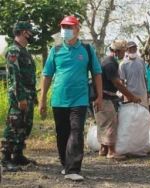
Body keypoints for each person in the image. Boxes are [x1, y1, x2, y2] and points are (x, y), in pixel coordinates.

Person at [39, 15, 102, 181]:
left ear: (77, 29)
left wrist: (99, 96)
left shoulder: (87, 50)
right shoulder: (56, 50)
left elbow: (97, 73)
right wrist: (42, 99)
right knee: (62, 133)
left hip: (79, 99)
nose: (65, 30)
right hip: (59, 99)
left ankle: (73, 168)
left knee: (76, 131)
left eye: (69, 27)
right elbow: (46, 75)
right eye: (63, 27)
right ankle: (65, 163)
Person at [1, 21, 37, 172]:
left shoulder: (24, 50)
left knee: (24, 126)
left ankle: (18, 155)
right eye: (30, 31)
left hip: (28, 94)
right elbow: (14, 77)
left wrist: (32, 96)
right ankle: (5, 159)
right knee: (14, 126)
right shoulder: (13, 50)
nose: (32, 34)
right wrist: (20, 97)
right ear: (23, 32)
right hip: (19, 96)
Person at [95, 40, 141, 159]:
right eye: (123, 51)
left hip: (99, 96)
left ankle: (103, 149)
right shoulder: (111, 63)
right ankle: (111, 152)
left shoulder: (105, 61)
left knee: (102, 123)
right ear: (116, 51)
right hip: (105, 97)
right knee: (111, 123)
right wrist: (131, 96)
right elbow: (117, 83)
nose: (124, 54)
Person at [119, 41, 148, 108]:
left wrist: (147, 92)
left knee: (143, 115)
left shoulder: (141, 61)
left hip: (142, 94)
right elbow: (122, 82)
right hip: (130, 95)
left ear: (136, 49)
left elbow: (144, 77)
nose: (132, 50)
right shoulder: (123, 64)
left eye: (134, 48)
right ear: (127, 50)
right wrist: (125, 95)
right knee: (131, 116)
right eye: (130, 48)